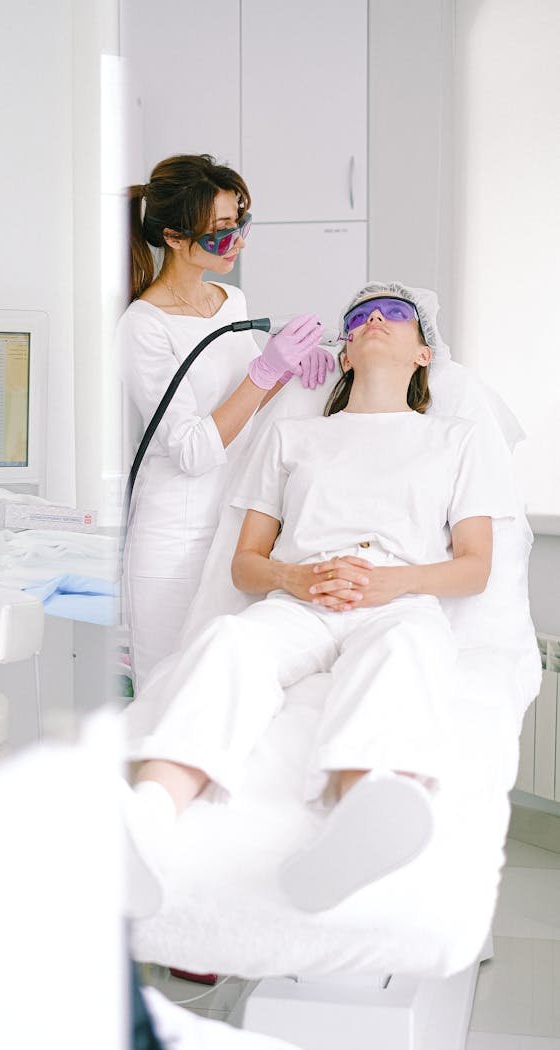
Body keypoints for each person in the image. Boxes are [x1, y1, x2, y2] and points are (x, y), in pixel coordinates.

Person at [122, 285, 517, 918]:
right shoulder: (295, 437)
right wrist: (296, 581)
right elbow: (246, 563)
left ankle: (353, 828)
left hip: (399, 598)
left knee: (403, 649)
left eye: (395, 315)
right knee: (230, 643)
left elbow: (475, 568)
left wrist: (395, 583)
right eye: (360, 317)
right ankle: (144, 822)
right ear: (343, 353)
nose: (376, 321)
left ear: (423, 353)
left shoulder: (457, 438)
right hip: (302, 596)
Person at [117, 153, 332, 689]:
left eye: (240, 223)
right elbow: (191, 450)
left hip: (233, 528)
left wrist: (290, 371)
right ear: (173, 236)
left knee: (222, 692)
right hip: (175, 539)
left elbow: (246, 405)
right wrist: (265, 370)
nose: (235, 241)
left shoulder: (230, 300)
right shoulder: (143, 327)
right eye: (219, 233)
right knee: (168, 696)